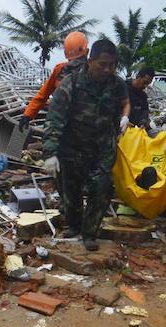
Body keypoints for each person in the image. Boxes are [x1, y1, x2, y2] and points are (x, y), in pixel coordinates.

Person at [43, 39, 130, 251]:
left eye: (112, 65)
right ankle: (74, 226)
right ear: (90, 60)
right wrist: (50, 152)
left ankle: (90, 232)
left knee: (101, 187)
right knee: (71, 191)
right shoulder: (71, 84)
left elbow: (125, 102)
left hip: (102, 148)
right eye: (103, 64)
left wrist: (125, 117)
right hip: (73, 147)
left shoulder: (116, 83)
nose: (108, 69)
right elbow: (55, 118)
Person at [18, 32, 89, 131]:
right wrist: (27, 115)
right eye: (72, 61)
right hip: (59, 127)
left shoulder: (94, 74)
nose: (74, 64)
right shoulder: (60, 70)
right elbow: (43, 95)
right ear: (87, 52)